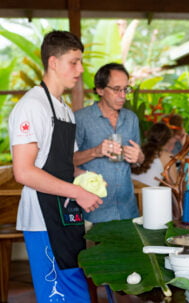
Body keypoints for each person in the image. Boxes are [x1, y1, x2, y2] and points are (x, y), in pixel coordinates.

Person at [8, 30, 103, 303]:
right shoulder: (31, 106)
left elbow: (65, 165)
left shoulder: (64, 109)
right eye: (74, 61)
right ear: (53, 62)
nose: (81, 69)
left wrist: (87, 180)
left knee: (75, 285)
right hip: (42, 216)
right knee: (57, 295)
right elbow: (24, 172)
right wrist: (78, 193)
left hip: (66, 214)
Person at [73, 63, 144, 223]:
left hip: (127, 210)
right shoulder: (81, 119)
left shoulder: (131, 118)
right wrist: (95, 152)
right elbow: (65, 162)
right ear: (100, 90)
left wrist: (138, 158)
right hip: (93, 210)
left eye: (126, 89)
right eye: (116, 89)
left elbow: (138, 162)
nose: (122, 95)